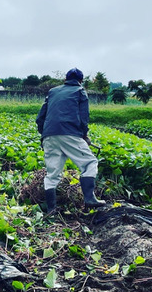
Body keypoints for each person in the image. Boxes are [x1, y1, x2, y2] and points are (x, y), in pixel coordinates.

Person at [36, 67, 106, 213]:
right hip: (70, 133)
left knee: (52, 173)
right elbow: (83, 117)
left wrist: (44, 135)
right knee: (90, 163)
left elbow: (40, 117)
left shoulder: (53, 91)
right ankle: (89, 199)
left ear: (65, 80)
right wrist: (84, 135)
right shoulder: (80, 91)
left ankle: (51, 209)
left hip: (49, 135)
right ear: (81, 81)